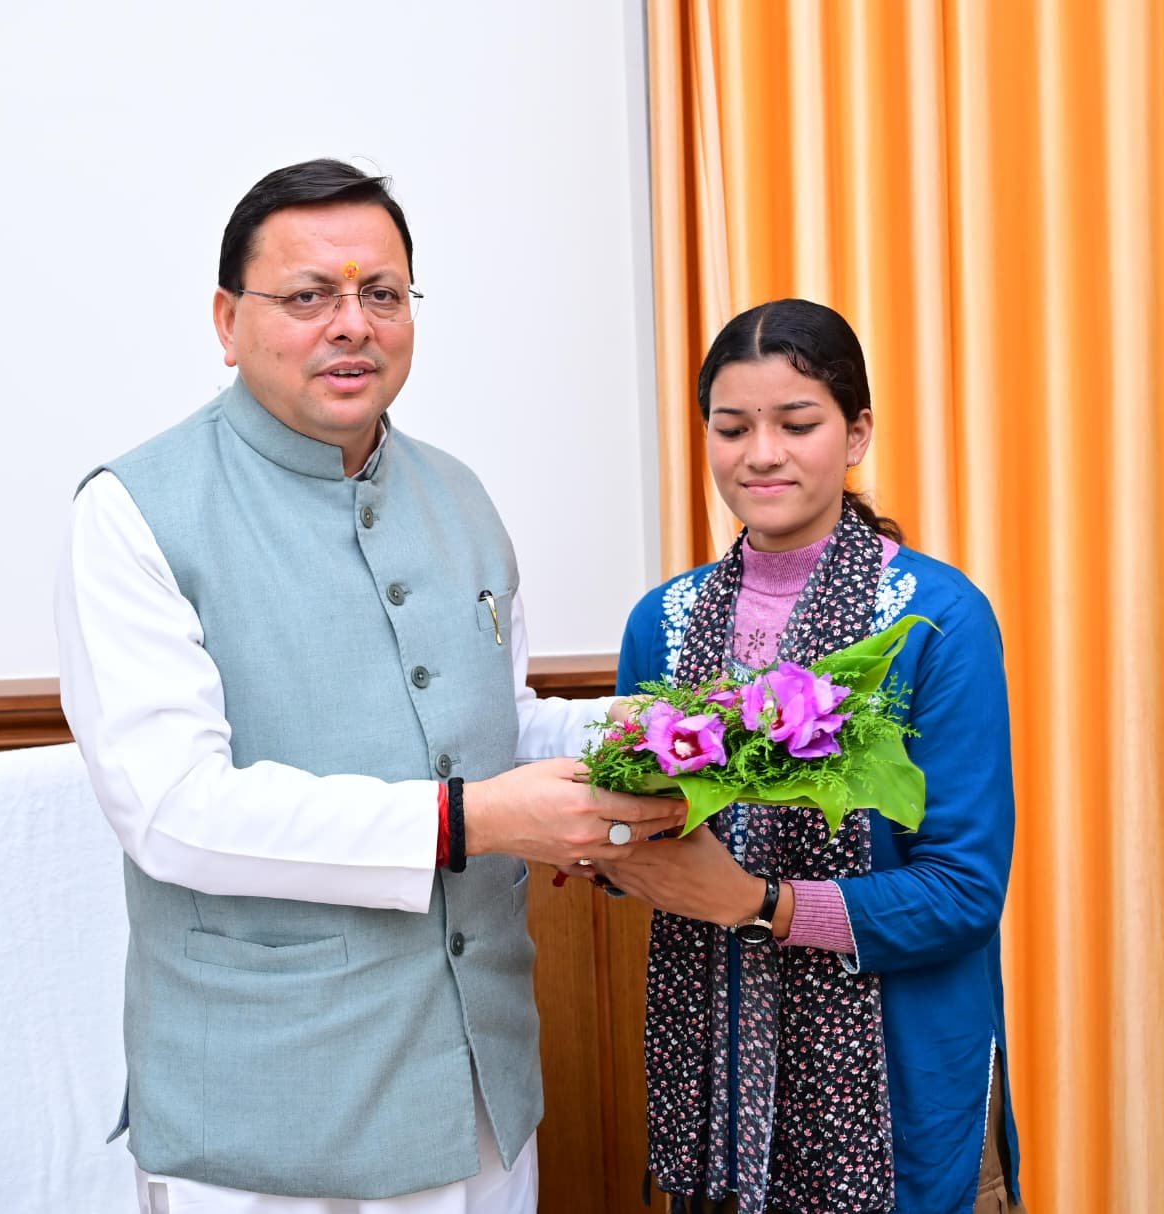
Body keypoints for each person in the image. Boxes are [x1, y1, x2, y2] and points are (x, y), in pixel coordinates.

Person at [55, 158, 681, 1214]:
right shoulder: (132, 512)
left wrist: (662, 733)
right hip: (264, 1116)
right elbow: (173, 811)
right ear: (227, 319)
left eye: (382, 293)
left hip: (480, 1087)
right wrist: (470, 820)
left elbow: (495, 728)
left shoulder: (460, 495)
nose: (353, 324)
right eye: (309, 296)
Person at [598, 299, 1024, 1214]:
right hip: (716, 1056)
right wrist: (605, 849)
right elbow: (642, 826)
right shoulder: (662, 624)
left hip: (899, 1066)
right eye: (732, 428)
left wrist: (760, 904)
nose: (762, 454)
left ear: (857, 432)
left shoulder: (936, 620)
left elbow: (964, 891)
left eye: (797, 424)